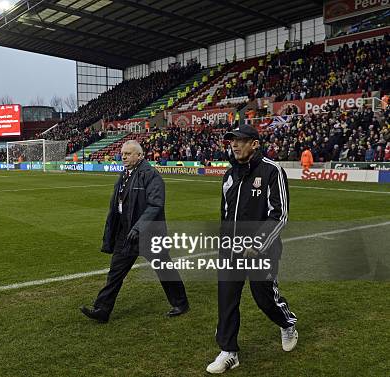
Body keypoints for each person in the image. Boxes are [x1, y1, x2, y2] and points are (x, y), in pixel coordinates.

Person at [206, 124, 297, 374]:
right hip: (231, 252)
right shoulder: (229, 175)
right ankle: (229, 352)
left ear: (254, 143)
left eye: (240, 140)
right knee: (226, 300)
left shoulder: (271, 171)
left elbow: (279, 214)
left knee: (264, 297)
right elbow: (225, 214)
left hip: (261, 251)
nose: (234, 145)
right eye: (231, 141)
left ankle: (287, 324)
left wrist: (257, 244)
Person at [80, 140, 189, 323]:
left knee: (164, 269)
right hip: (127, 232)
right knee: (116, 272)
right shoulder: (124, 175)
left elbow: (155, 205)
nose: (123, 156)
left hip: (148, 232)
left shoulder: (151, 175)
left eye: (128, 153)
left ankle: (181, 303)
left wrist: (139, 227)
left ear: (139, 156)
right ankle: (102, 309)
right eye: (122, 153)